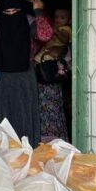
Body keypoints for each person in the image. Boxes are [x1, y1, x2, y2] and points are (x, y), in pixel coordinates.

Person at [0, 0, 43, 146]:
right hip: (0, 78)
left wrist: (39, 12)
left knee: (24, 115)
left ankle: (26, 153)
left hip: (24, 78)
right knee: (0, 115)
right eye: (7, 12)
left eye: (15, 11)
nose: (11, 15)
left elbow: (45, 35)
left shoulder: (30, 23)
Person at [34, 8, 72, 141]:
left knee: (51, 109)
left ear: (69, 20)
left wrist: (55, 30)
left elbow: (64, 40)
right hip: (44, 69)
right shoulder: (52, 33)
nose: (58, 20)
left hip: (50, 74)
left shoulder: (66, 30)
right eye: (56, 17)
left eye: (62, 17)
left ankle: (53, 138)